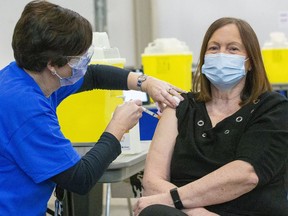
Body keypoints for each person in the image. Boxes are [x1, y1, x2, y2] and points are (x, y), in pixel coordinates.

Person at [0, 1, 184, 215]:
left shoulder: (28, 77)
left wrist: (146, 82)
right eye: (77, 59)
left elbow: (94, 75)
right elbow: (80, 179)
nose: (82, 64)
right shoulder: (25, 107)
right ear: (52, 64)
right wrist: (117, 128)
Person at [133, 17, 288, 216]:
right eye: (214, 48)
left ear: (250, 62)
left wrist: (174, 200)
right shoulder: (179, 107)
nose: (221, 54)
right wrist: (197, 212)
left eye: (233, 49)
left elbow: (245, 175)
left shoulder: (272, 108)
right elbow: (152, 182)